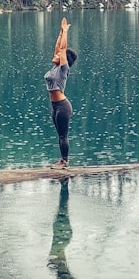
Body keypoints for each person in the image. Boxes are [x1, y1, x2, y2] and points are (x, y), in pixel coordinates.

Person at [45, 16, 77, 169]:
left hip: (63, 106)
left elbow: (62, 50)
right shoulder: (55, 68)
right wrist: (60, 32)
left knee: (63, 136)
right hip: (56, 106)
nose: (56, 54)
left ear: (64, 60)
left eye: (59, 56)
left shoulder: (63, 69)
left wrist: (65, 32)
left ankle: (65, 162)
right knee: (60, 136)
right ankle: (62, 161)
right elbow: (59, 48)